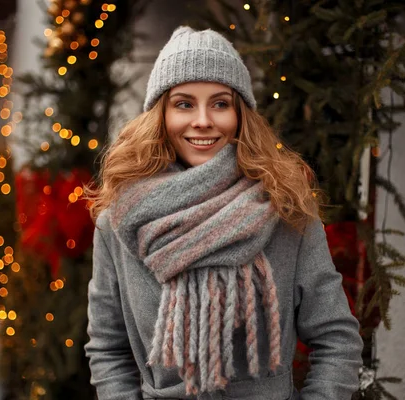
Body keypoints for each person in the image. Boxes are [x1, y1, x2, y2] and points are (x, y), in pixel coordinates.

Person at [84, 26, 363, 400]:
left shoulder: (285, 209)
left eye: (220, 103)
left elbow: (336, 339)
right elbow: (108, 349)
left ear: (240, 115)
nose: (203, 120)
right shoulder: (120, 222)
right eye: (184, 104)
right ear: (160, 116)